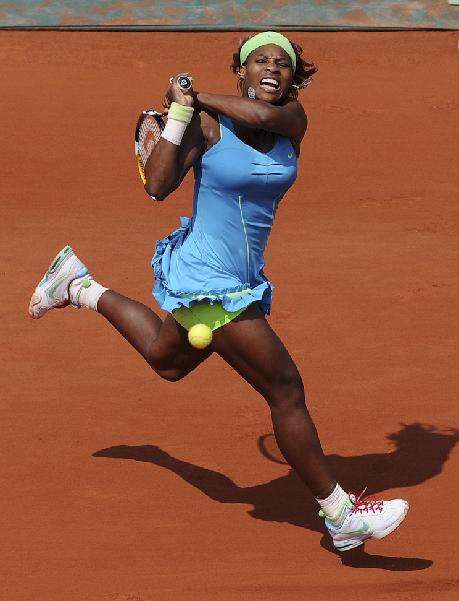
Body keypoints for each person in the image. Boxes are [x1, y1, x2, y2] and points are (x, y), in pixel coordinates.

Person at [29, 31, 408, 552]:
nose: (271, 68)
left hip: (242, 277)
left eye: (282, 62)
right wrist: (181, 117)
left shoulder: (292, 119)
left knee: (169, 361)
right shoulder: (207, 124)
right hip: (209, 278)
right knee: (285, 389)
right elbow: (158, 186)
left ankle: (77, 284)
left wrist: (190, 92)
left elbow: (264, 119)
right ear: (243, 73)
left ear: (293, 77)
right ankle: (340, 513)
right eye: (259, 61)